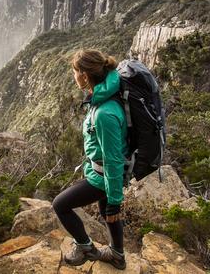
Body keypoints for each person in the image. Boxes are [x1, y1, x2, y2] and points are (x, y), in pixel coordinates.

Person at [52, 49, 128, 270]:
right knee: (107, 214)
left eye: (74, 72)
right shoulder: (103, 94)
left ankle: (85, 247)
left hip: (105, 176)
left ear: (84, 75)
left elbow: (113, 160)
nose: (73, 76)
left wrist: (115, 199)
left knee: (60, 204)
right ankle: (117, 255)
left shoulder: (105, 113)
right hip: (101, 172)